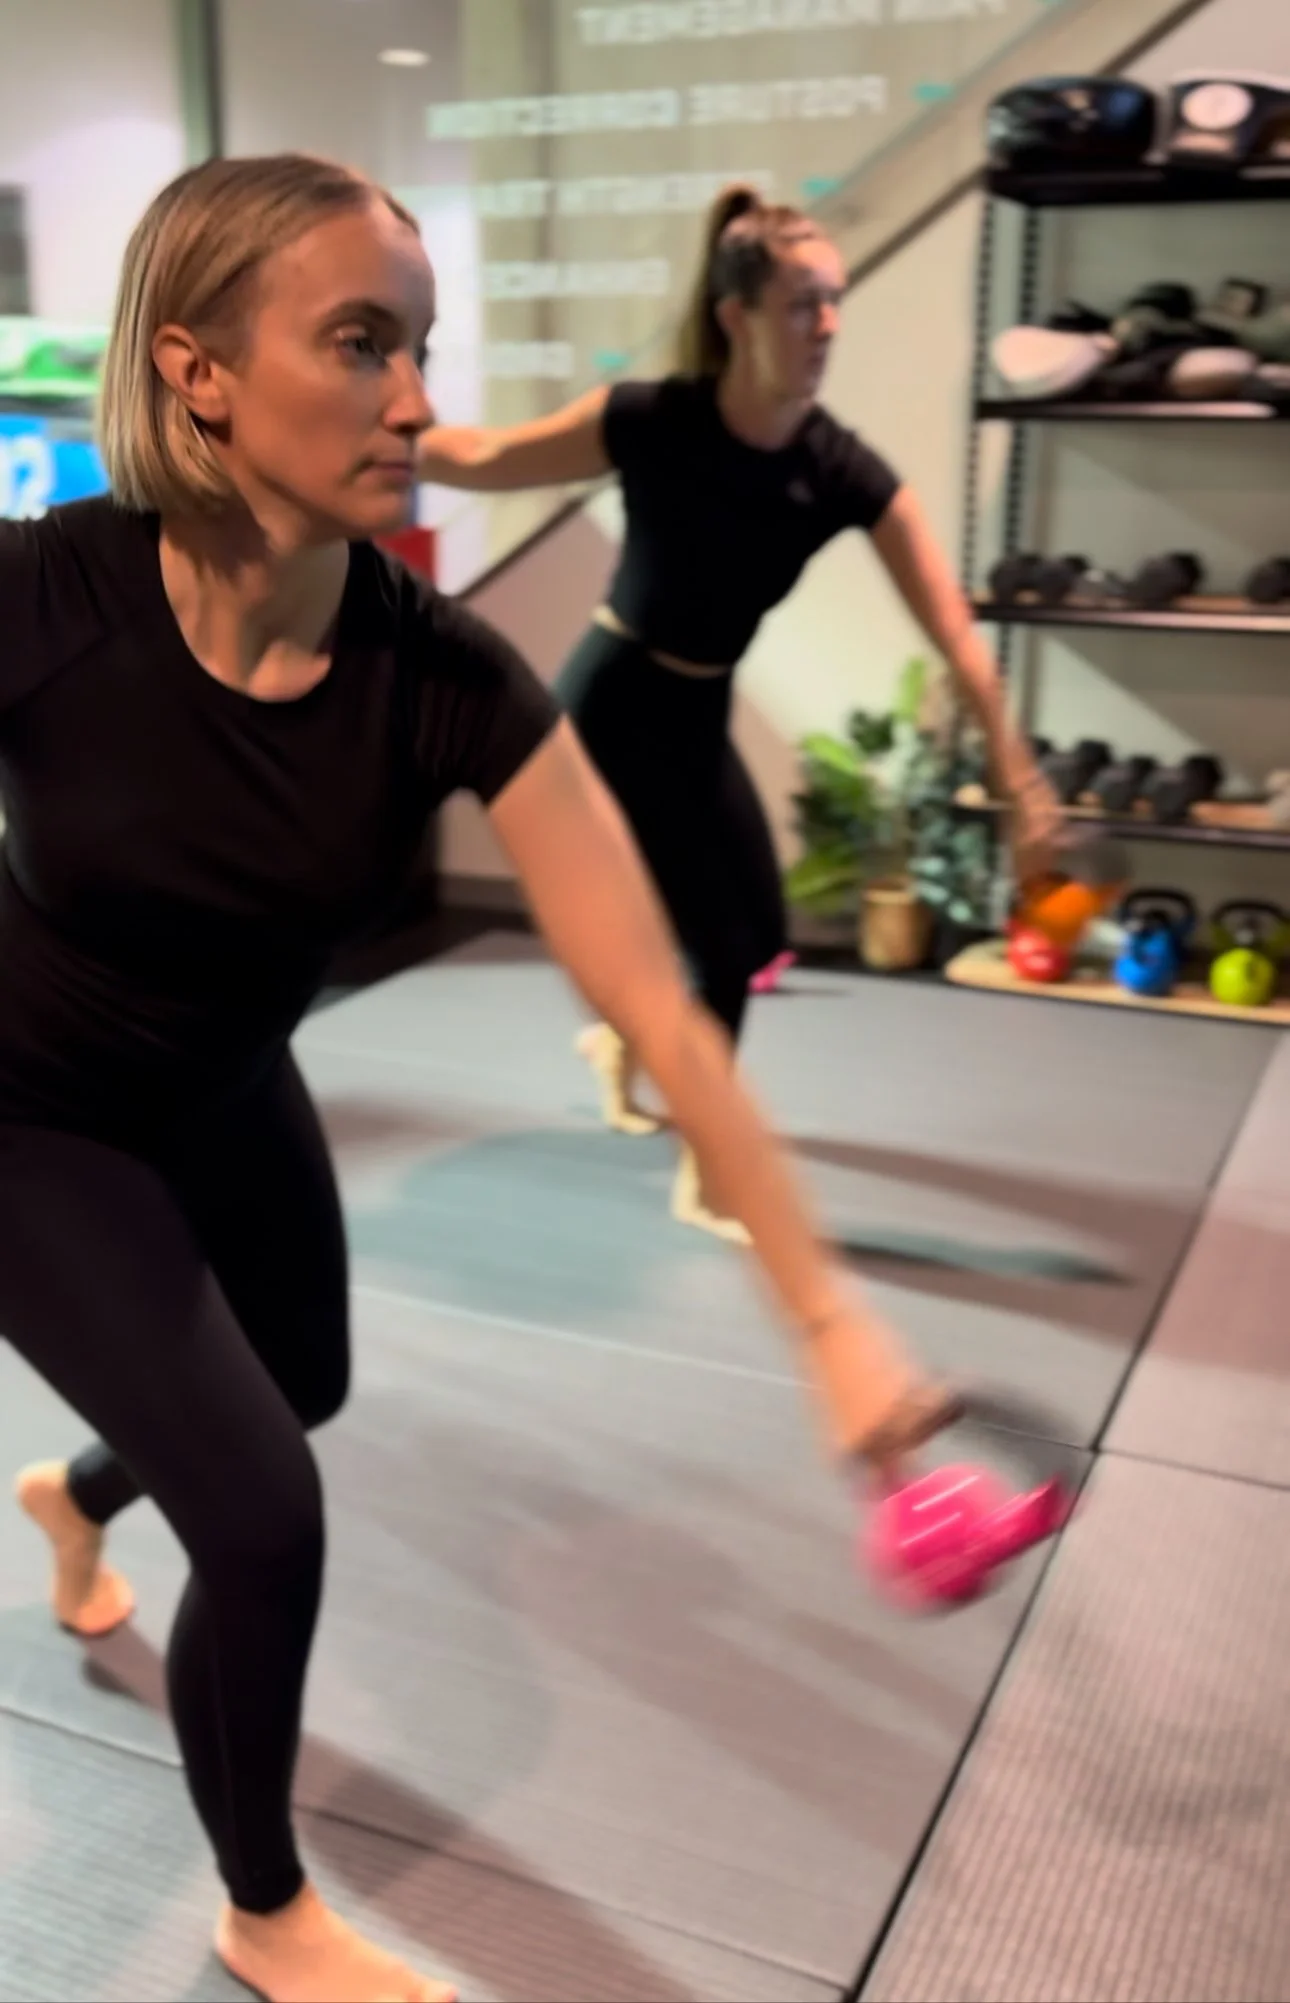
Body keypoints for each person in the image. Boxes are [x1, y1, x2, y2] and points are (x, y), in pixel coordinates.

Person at [5, 155, 961, 2003]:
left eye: (421, 348)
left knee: (302, 1385)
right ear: (200, 372)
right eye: (360, 343)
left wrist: (829, 1319)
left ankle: (76, 1494)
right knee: (263, 1510)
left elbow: (660, 1005)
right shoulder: (47, 596)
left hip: (223, 1080)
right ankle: (265, 1910)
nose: (416, 402)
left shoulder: (439, 674)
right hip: (26, 1112)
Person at [417, 185, 1063, 1239]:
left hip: (698, 706)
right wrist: (360, 432)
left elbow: (954, 631)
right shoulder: (651, 421)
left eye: (835, 301)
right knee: (713, 948)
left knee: (756, 930)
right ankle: (709, 1169)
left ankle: (622, 1048)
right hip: (610, 704)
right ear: (737, 315)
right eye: (804, 303)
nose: (828, 326)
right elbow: (486, 458)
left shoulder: (837, 469)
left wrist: (1020, 778)